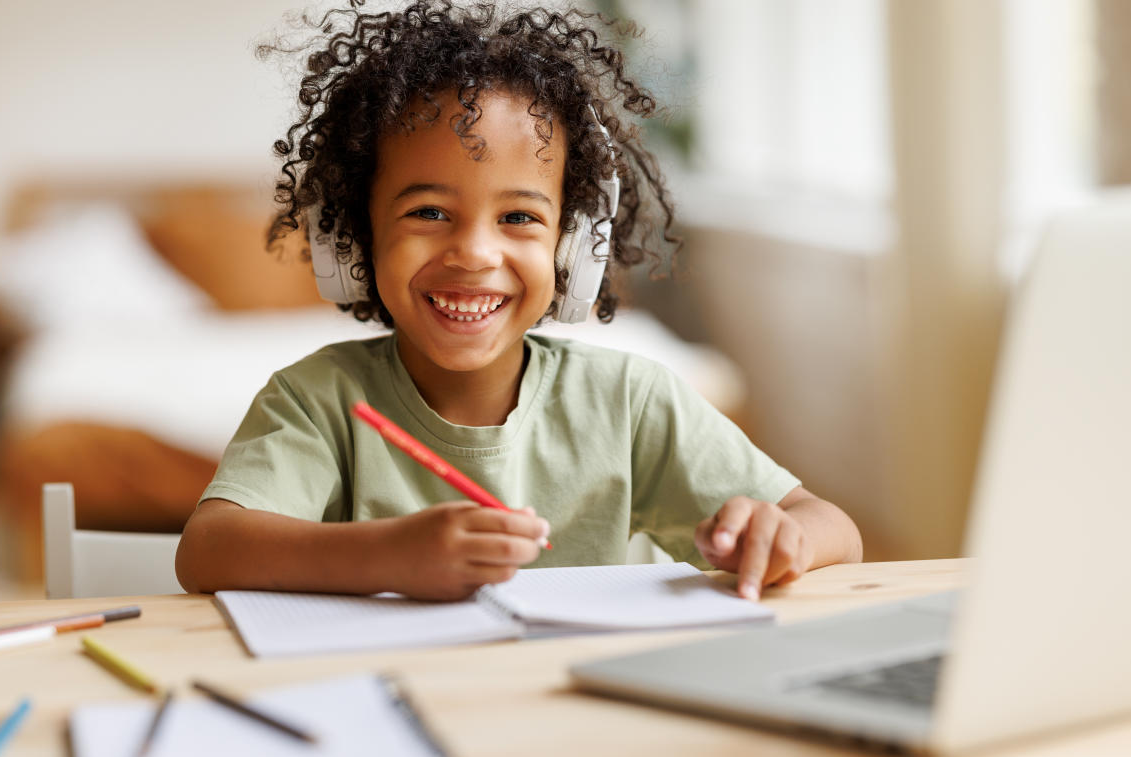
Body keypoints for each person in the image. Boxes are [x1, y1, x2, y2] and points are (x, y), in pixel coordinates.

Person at [176, 0, 862, 602]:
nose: (475, 254)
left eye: (519, 218)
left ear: (573, 249)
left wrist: (782, 536)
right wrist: (391, 557)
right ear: (356, 237)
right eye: (428, 212)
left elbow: (834, 528)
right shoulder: (318, 400)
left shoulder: (628, 401)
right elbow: (208, 549)